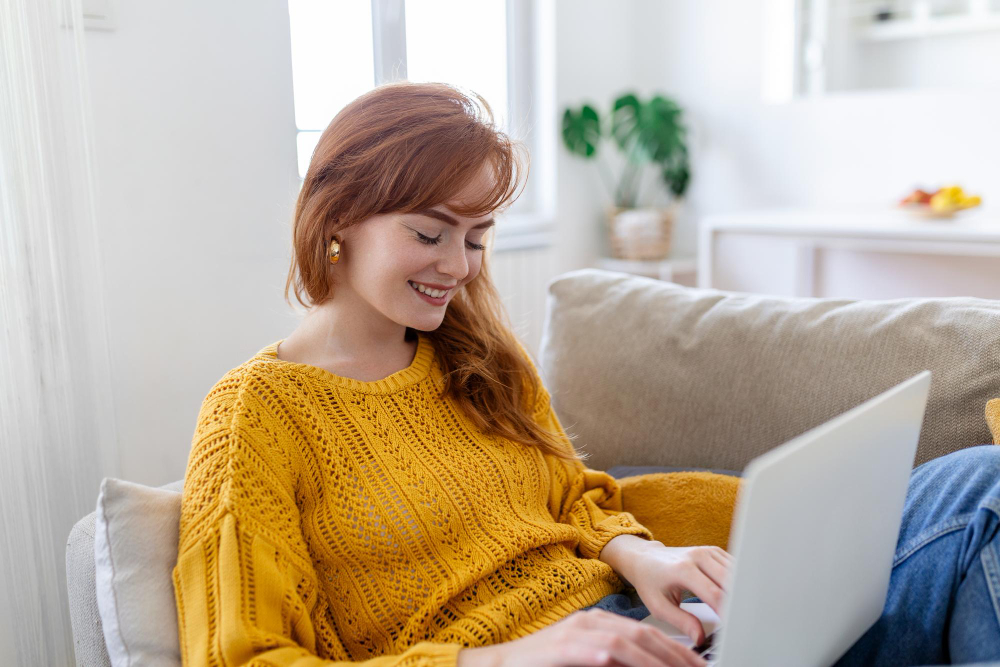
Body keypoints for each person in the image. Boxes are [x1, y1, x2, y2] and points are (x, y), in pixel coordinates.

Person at [172, 80, 1000, 667]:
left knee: (982, 484)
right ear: (338, 217)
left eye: (477, 235)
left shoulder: (478, 358)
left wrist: (643, 558)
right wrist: (502, 659)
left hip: (647, 628)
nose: (458, 265)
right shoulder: (257, 414)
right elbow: (244, 657)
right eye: (430, 233)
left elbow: (572, 496)